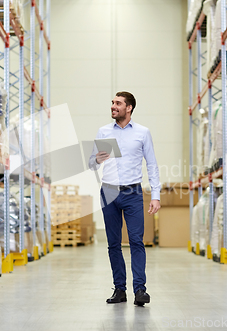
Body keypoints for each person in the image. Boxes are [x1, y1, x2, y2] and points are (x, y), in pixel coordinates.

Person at [89, 91, 161, 306]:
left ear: (129, 108)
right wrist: (96, 159)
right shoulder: (103, 132)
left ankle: (140, 290)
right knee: (113, 244)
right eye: (112, 102)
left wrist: (155, 196)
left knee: (136, 241)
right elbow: (92, 164)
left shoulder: (142, 132)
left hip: (132, 192)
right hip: (109, 191)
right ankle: (120, 289)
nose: (113, 106)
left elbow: (152, 164)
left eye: (118, 103)